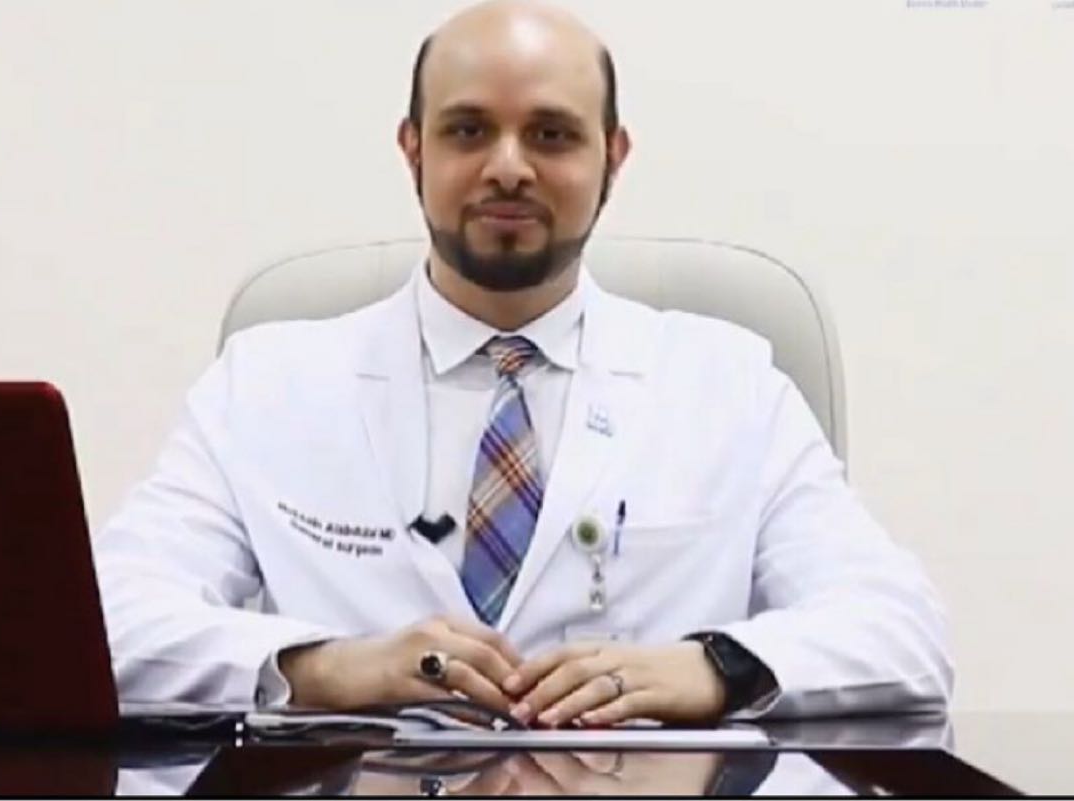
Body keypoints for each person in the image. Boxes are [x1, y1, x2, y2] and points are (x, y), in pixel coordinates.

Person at [94, 0, 953, 726]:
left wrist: (715, 667)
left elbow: (902, 631)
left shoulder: (732, 386)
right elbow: (102, 625)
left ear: (613, 158)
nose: (508, 168)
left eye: (551, 134)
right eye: (469, 130)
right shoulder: (265, 385)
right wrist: (326, 667)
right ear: (413, 149)